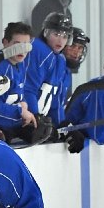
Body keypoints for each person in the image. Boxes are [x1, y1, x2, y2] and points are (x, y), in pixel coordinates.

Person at [0, 21, 42, 144]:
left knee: (42, 128)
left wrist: (24, 104)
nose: (21, 50)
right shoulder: (1, 68)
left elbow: (18, 92)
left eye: (25, 45)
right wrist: (20, 112)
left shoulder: (19, 63)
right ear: (5, 43)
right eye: (17, 44)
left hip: (10, 120)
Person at [23, 12, 73, 140]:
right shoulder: (37, 50)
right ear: (46, 32)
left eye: (65, 36)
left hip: (38, 122)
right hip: (24, 120)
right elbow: (28, 89)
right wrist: (35, 117)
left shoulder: (60, 60)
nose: (60, 41)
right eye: (56, 34)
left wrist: (61, 125)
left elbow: (55, 100)